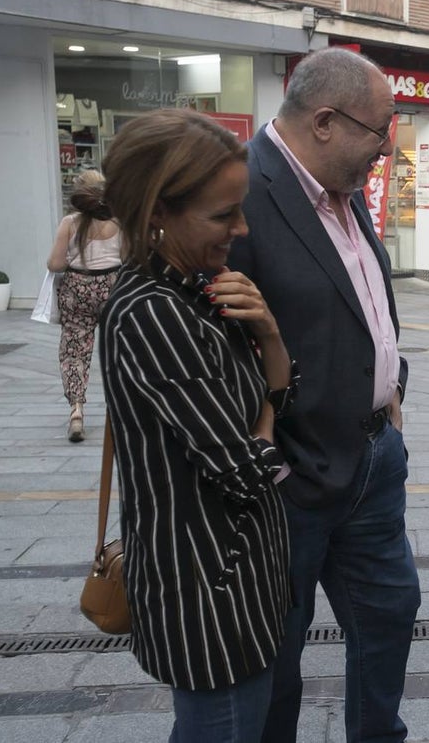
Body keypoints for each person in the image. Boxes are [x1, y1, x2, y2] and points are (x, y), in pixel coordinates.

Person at [227, 47, 420, 743]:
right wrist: (273, 455)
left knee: (390, 615)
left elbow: (360, 299)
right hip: (292, 478)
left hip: (373, 459)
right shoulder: (240, 190)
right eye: (380, 129)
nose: (386, 147)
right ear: (325, 122)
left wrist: (391, 386)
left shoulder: (341, 184)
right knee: (276, 650)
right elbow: (218, 345)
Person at [99, 108, 298, 741]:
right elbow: (246, 471)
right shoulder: (151, 311)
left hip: (243, 581)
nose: (241, 229)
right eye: (223, 215)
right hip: (207, 595)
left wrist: (268, 331)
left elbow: (277, 399)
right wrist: (268, 420)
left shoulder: (202, 288)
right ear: (159, 210)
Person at [46, 169, 122, 442]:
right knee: (119, 346)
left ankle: (76, 412)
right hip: (112, 287)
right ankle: (122, 407)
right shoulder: (119, 221)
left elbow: (55, 264)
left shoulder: (70, 222)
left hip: (77, 288)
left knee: (74, 350)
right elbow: (129, 257)